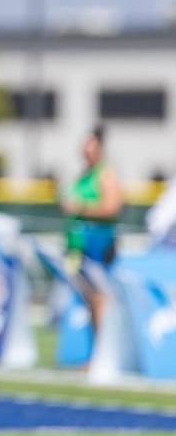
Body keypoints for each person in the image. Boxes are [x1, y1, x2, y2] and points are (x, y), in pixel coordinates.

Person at [61, 124, 123, 335]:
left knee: (99, 297)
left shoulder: (105, 174)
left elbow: (112, 207)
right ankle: (96, 352)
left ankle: (102, 353)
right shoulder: (83, 174)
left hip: (99, 244)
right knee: (89, 297)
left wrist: (80, 207)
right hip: (80, 246)